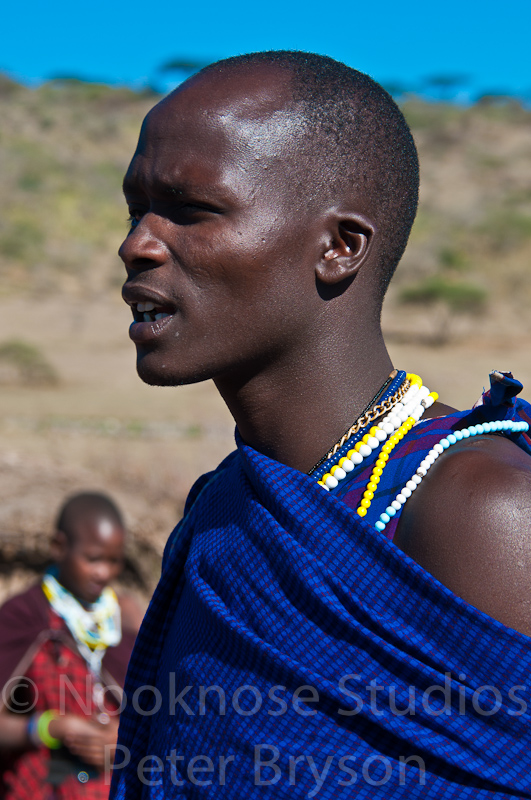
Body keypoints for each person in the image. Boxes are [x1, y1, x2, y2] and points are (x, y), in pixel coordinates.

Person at [111, 52, 531, 798]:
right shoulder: (225, 508)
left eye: (189, 210)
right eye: (135, 209)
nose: (137, 244)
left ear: (339, 248)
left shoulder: (482, 511)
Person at [0, 492, 142, 799]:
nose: (104, 572)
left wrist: (125, 739)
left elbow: (157, 712)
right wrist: (50, 728)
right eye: (93, 559)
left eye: (114, 561)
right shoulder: (25, 614)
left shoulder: (128, 616)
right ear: (59, 547)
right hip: (43, 786)